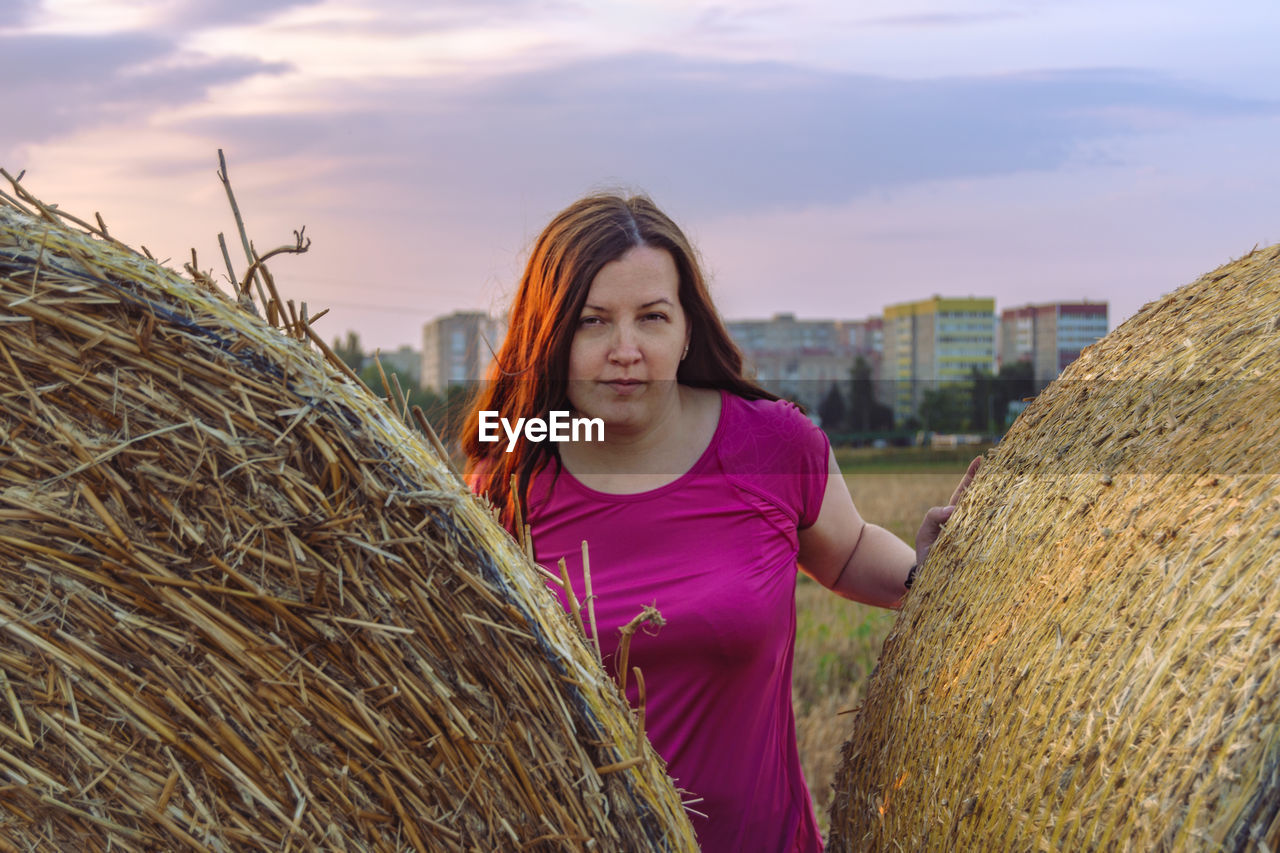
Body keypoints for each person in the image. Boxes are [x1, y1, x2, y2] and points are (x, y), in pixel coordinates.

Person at [463, 193, 979, 852]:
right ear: (553, 334)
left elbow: (846, 554)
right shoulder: (506, 488)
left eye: (652, 317)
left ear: (685, 330)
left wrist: (926, 575)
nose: (626, 349)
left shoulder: (771, 445)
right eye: (593, 322)